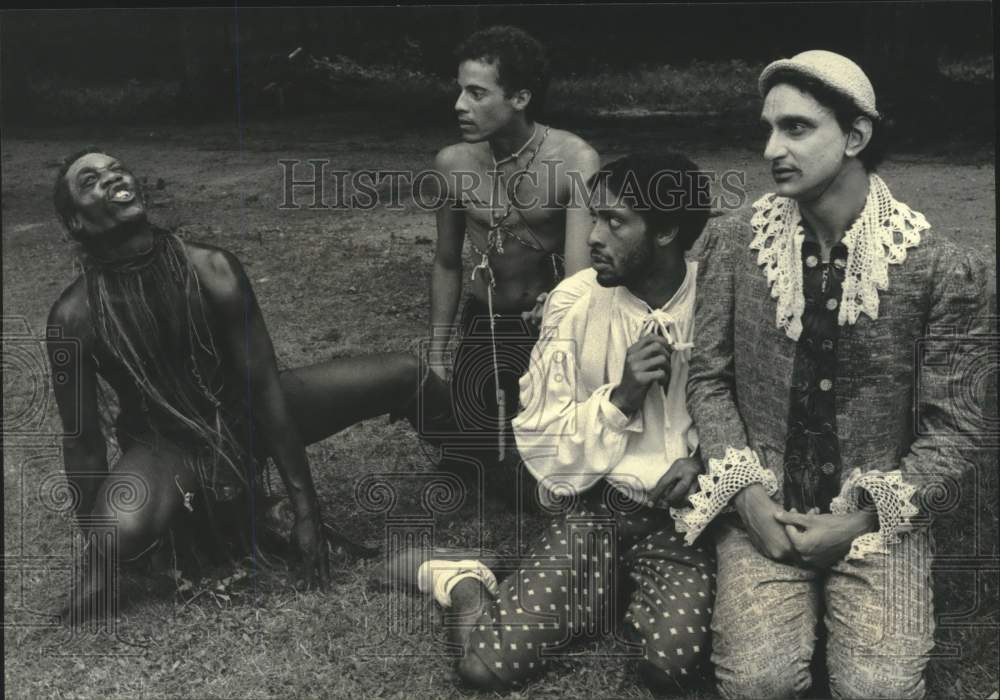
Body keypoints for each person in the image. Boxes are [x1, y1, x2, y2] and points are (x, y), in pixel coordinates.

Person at [676, 51, 993, 698]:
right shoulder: (735, 242)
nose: (772, 148)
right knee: (757, 682)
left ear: (855, 136)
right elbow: (708, 379)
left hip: (877, 517)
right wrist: (748, 499)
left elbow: (954, 432)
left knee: (878, 690)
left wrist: (857, 521)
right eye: (768, 129)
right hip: (764, 503)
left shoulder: (938, 267)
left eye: (797, 128)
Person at [47, 149, 418, 624]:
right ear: (78, 223)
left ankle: (488, 468)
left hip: (250, 414)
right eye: (90, 180)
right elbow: (82, 441)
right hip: (164, 445)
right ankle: (239, 514)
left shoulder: (212, 268)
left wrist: (307, 509)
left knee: (410, 373)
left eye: (115, 168)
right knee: (118, 531)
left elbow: (264, 386)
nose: (112, 176)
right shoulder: (73, 316)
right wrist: (98, 559)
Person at [396, 153, 716, 691]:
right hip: (595, 511)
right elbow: (543, 443)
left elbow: (758, 411)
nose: (593, 237)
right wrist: (621, 398)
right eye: (594, 217)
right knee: (483, 668)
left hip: (687, 527)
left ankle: (605, 594)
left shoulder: (715, 300)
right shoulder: (574, 301)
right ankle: (465, 580)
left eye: (615, 221)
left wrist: (704, 460)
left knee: (671, 669)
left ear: (666, 231)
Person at [421, 25, 600, 493]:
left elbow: (582, 272)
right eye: (460, 90)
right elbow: (446, 262)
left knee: (538, 475)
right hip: (482, 320)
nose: (460, 105)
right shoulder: (451, 163)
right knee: (464, 466)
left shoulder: (575, 158)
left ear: (520, 98)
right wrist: (438, 353)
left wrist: (559, 320)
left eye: (477, 93)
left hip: (544, 323)